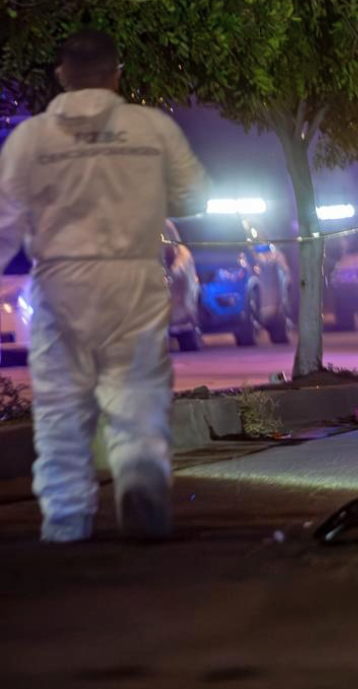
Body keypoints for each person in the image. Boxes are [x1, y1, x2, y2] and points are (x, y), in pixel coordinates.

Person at [0, 30, 209, 542]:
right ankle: (138, 476)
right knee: (136, 399)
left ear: (62, 76)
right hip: (133, 280)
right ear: (117, 74)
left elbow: (5, 220)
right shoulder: (152, 128)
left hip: (60, 283)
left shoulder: (32, 138)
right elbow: (195, 197)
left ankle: (67, 521)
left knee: (61, 411)